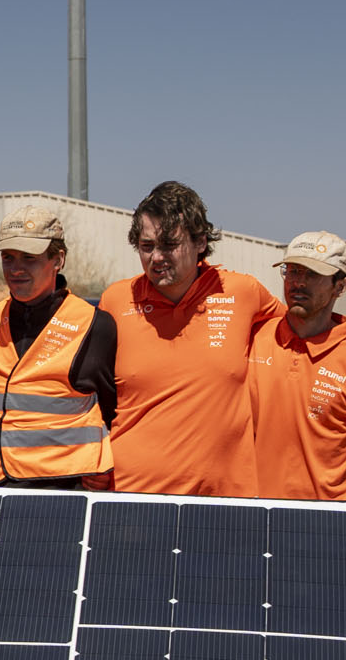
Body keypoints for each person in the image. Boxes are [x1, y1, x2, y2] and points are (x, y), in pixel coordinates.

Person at [97, 180, 283, 498]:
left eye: (169, 245)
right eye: (146, 246)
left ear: (200, 242)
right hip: (132, 496)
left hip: (225, 497)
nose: (156, 257)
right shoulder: (115, 300)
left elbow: (306, 334)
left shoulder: (242, 292)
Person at [0, 209, 116, 490]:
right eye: (7, 258)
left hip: (62, 488)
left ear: (58, 259)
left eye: (30, 258)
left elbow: (115, 409)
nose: (16, 269)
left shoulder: (94, 325)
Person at [247, 232, 346, 503]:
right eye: (292, 271)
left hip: (328, 520)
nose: (298, 283)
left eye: (313, 274)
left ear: (341, 286)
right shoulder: (253, 338)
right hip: (254, 512)